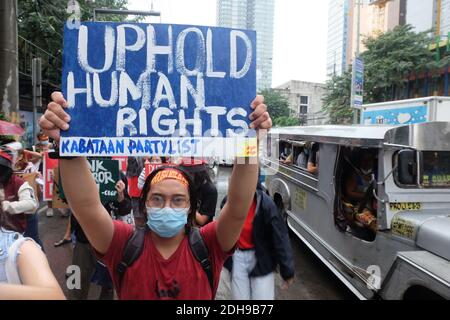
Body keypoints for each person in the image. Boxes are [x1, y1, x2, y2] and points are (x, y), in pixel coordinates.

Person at [39, 92, 272, 300]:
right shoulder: (123, 244)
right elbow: (86, 207)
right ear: (145, 204)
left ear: (191, 207)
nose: (167, 206)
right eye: (157, 199)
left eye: (178, 200)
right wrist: (65, 141)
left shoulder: (210, 244)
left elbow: (239, 205)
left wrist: (249, 142)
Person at [221, 182, 295, 300]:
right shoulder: (228, 202)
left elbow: (280, 237)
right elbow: (222, 231)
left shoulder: (266, 205)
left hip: (261, 257)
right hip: (237, 257)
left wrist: (287, 270)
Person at [68, 174, 132, 300]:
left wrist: (121, 198)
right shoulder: (81, 171)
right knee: (76, 281)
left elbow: (126, 209)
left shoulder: (118, 175)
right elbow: (66, 198)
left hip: (108, 240)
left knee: (108, 283)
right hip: (83, 238)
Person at [0, 207, 65, 299]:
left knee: (35, 239)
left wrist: (11, 206)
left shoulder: (22, 248)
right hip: (17, 222)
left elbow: (31, 204)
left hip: (27, 220)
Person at [0, 150, 38, 234]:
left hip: (26, 218)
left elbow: (31, 204)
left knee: (33, 242)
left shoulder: (19, 183)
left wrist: (7, 206)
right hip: (6, 224)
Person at [179, 158, 218, 227]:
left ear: (198, 174)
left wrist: (185, 203)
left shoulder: (210, 190)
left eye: (189, 173)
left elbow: (202, 220)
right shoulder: (185, 185)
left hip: (200, 232)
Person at [127, 157, 145, 227]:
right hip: (136, 188)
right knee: (137, 215)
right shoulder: (133, 156)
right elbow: (131, 172)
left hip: (144, 189)